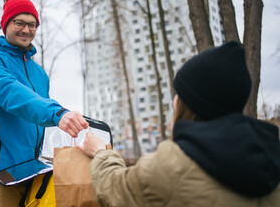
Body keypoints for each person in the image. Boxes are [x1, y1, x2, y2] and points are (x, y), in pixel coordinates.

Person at [78, 41, 280, 206]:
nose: (175, 101)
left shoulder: (173, 165)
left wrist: (100, 152)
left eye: (179, 95)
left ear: (192, 106)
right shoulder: (272, 155)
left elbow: (116, 190)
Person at [0, 0, 89, 207]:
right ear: (5, 24)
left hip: (35, 174)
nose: (26, 30)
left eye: (32, 24)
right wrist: (58, 113)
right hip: (1, 177)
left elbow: (39, 114)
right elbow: (12, 94)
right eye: (19, 23)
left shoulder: (39, 73)